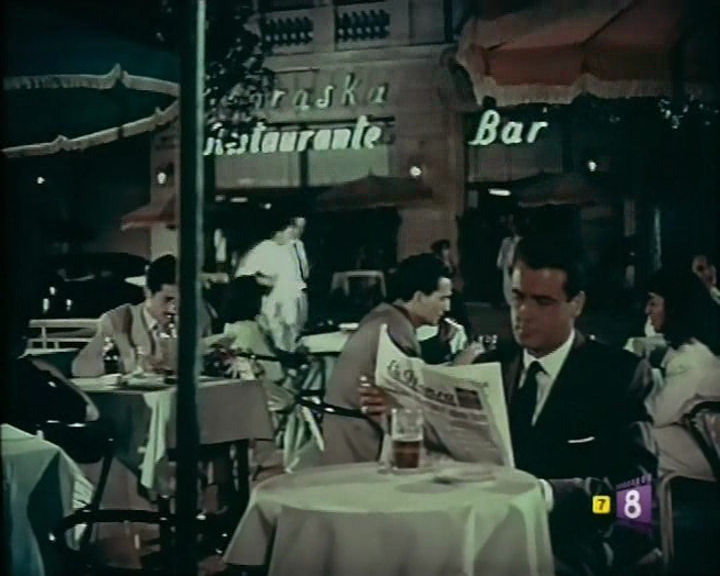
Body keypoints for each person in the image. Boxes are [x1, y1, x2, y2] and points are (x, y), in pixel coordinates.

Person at [361, 236, 657, 576]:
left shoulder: (619, 376)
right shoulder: (491, 367)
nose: (524, 314)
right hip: (480, 534)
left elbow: (633, 503)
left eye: (542, 302)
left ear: (576, 304)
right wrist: (398, 418)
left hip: (570, 542)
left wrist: (547, 496)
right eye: (517, 298)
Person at [322, 254, 484, 465]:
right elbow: (419, 396)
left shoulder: (385, 316)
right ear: (419, 297)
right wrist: (462, 363)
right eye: (442, 298)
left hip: (351, 429)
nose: (447, 308)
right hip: (361, 440)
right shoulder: (394, 329)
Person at [72, 254, 211, 377]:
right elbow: (80, 368)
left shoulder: (198, 318)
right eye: (168, 299)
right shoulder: (119, 320)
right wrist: (126, 364)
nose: (175, 309)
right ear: (147, 292)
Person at [643, 269, 720, 480]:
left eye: (653, 303)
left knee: (633, 442)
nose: (647, 310)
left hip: (710, 451)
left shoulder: (689, 359)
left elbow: (656, 415)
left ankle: (633, 503)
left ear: (674, 307)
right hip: (706, 439)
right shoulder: (704, 344)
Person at [235, 215, 304, 352]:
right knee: (275, 339)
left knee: (291, 338)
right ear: (278, 232)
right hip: (273, 303)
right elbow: (243, 274)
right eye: (288, 232)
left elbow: (296, 278)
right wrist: (263, 281)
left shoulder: (290, 248)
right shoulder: (263, 248)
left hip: (291, 302)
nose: (291, 235)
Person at [430, 238, 475, 340]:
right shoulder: (434, 261)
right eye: (445, 248)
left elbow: (452, 272)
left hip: (449, 290)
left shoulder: (450, 260)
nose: (447, 250)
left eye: (447, 248)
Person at [288, 216, 310, 332]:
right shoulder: (283, 246)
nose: (301, 231)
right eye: (298, 227)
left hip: (302, 286)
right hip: (289, 289)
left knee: (302, 320)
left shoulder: (300, 245)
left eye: (303, 227)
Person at [496, 214, 521, 307]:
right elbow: (502, 253)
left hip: (517, 267)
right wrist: (500, 263)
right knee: (507, 287)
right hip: (507, 266)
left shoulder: (521, 241)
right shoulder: (506, 241)